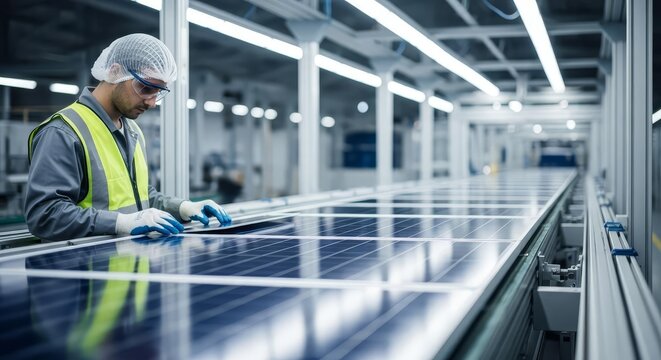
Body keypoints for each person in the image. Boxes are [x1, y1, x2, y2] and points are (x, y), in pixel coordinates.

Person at [24, 33, 232, 241]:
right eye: (145, 88)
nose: (151, 103)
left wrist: (183, 207)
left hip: (125, 265)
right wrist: (120, 223)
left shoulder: (132, 131)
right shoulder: (64, 132)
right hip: (85, 268)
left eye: (158, 92)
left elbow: (140, 197)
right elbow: (45, 215)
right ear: (115, 72)